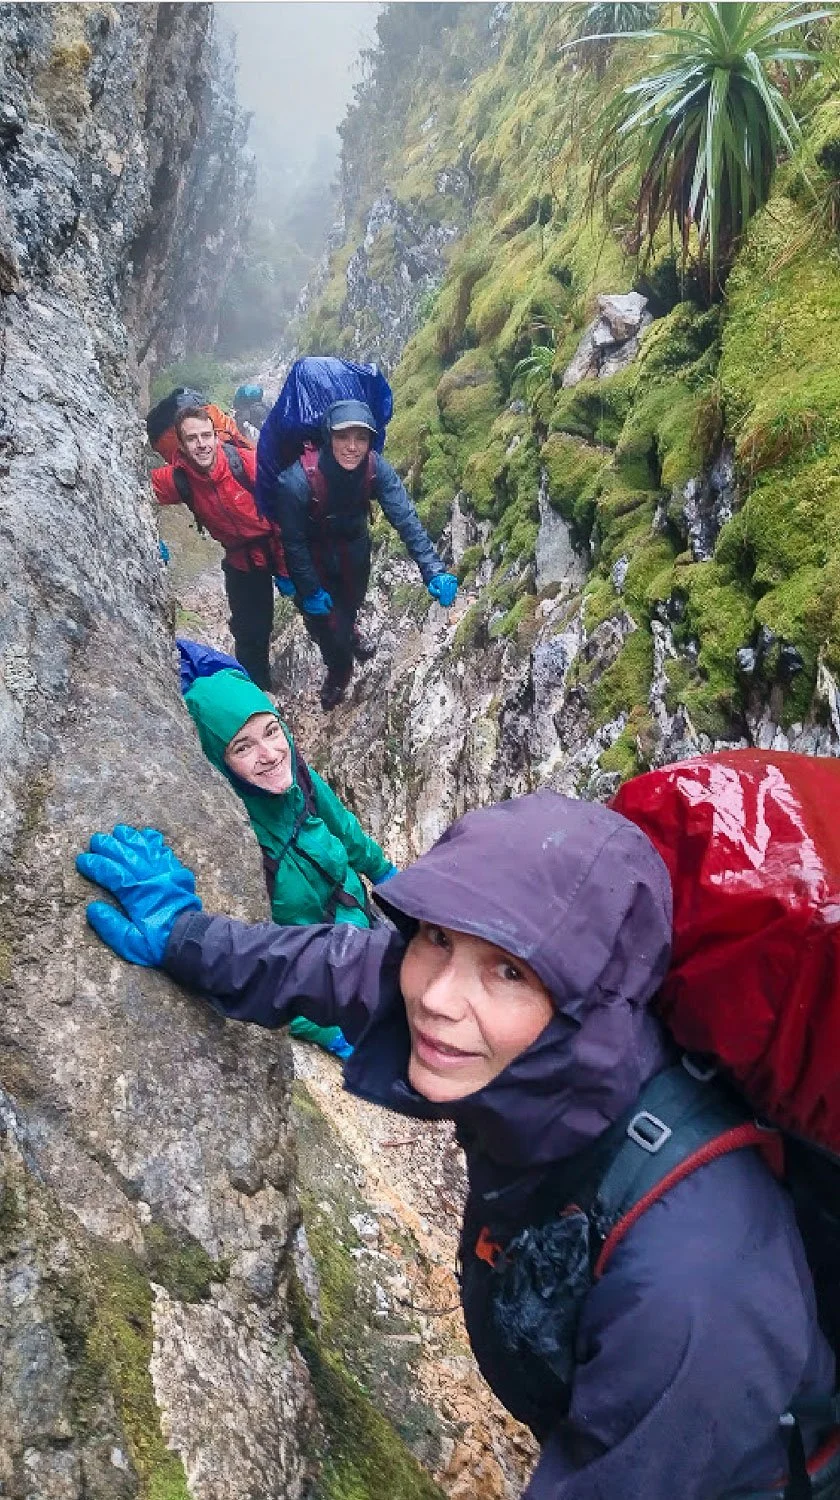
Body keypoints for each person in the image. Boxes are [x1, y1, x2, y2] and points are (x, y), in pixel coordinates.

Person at [77, 792, 839, 1499]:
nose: (438, 997)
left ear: (588, 1004)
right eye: (436, 937)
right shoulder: (538, 1043)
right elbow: (340, 966)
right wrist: (186, 935)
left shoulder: (692, 1283)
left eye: (508, 970)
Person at [178, 639, 396, 1057]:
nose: (270, 754)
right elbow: (253, 964)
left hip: (367, 931)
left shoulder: (301, 779)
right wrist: (325, 1034)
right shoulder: (234, 839)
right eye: (243, 747)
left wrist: (385, 873)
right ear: (218, 761)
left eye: (272, 731)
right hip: (324, 987)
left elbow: (345, 830)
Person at [265, 398, 458, 711]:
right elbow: (294, 542)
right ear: (328, 437)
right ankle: (339, 669)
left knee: (349, 606)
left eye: (361, 438)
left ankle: (350, 629)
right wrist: (309, 588)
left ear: (371, 441)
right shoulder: (296, 482)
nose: (352, 447)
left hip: (354, 550)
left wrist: (433, 569)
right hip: (312, 560)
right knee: (324, 627)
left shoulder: (374, 467)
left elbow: (405, 518)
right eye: (343, 437)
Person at [151, 407, 288, 691]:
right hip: (241, 559)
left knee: (317, 604)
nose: (201, 444)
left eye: (206, 436)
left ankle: (346, 654)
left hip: (279, 544)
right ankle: (258, 694)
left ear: (216, 437)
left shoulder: (246, 462)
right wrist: (146, 537)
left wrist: (289, 567)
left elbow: (288, 508)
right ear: (182, 445)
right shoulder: (180, 479)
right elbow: (132, 490)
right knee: (250, 633)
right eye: (192, 439)